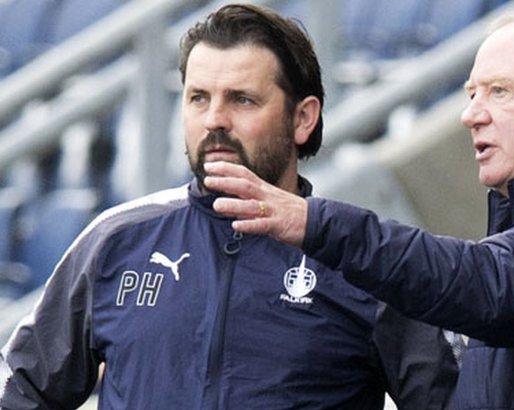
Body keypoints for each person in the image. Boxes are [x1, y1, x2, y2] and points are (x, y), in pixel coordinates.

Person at [202, 5, 514, 409]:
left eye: (498, 91)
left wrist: (317, 222)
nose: (471, 115)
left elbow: (489, 282)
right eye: (471, 93)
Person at [0, 4, 459, 409]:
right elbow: (24, 389)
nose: (215, 119)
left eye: (242, 99)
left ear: (303, 118)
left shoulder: (364, 262)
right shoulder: (114, 242)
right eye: (199, 98)